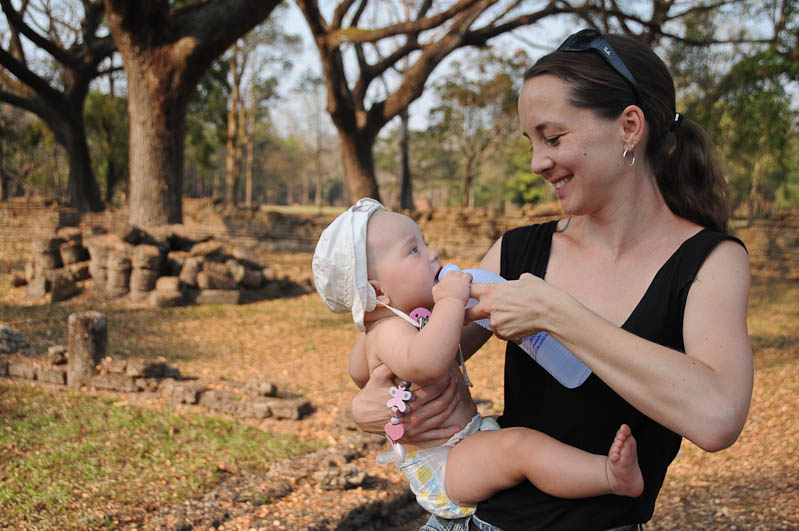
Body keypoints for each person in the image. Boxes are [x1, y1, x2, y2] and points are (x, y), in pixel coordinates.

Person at [350, 29, 754, 531]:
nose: (538, 163)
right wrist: (370, 405)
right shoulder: (518, 251)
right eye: (532, 142)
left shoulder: (709, 261)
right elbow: (407, 348)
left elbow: (717, 418)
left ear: (630, 127)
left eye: (553, 137)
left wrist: (555, 315)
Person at [312, 198, 644, 520]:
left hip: (465, 442)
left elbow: (360, 372)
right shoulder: (387, 331)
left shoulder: (396, 324)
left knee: (518, 446)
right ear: (379, 292)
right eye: (413, 250)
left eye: (424, 243)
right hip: (444, 463)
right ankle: (609, 476)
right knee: (520, 448)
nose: (433, 254)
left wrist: (470, 311)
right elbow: (427, 363)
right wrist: (452, 302)